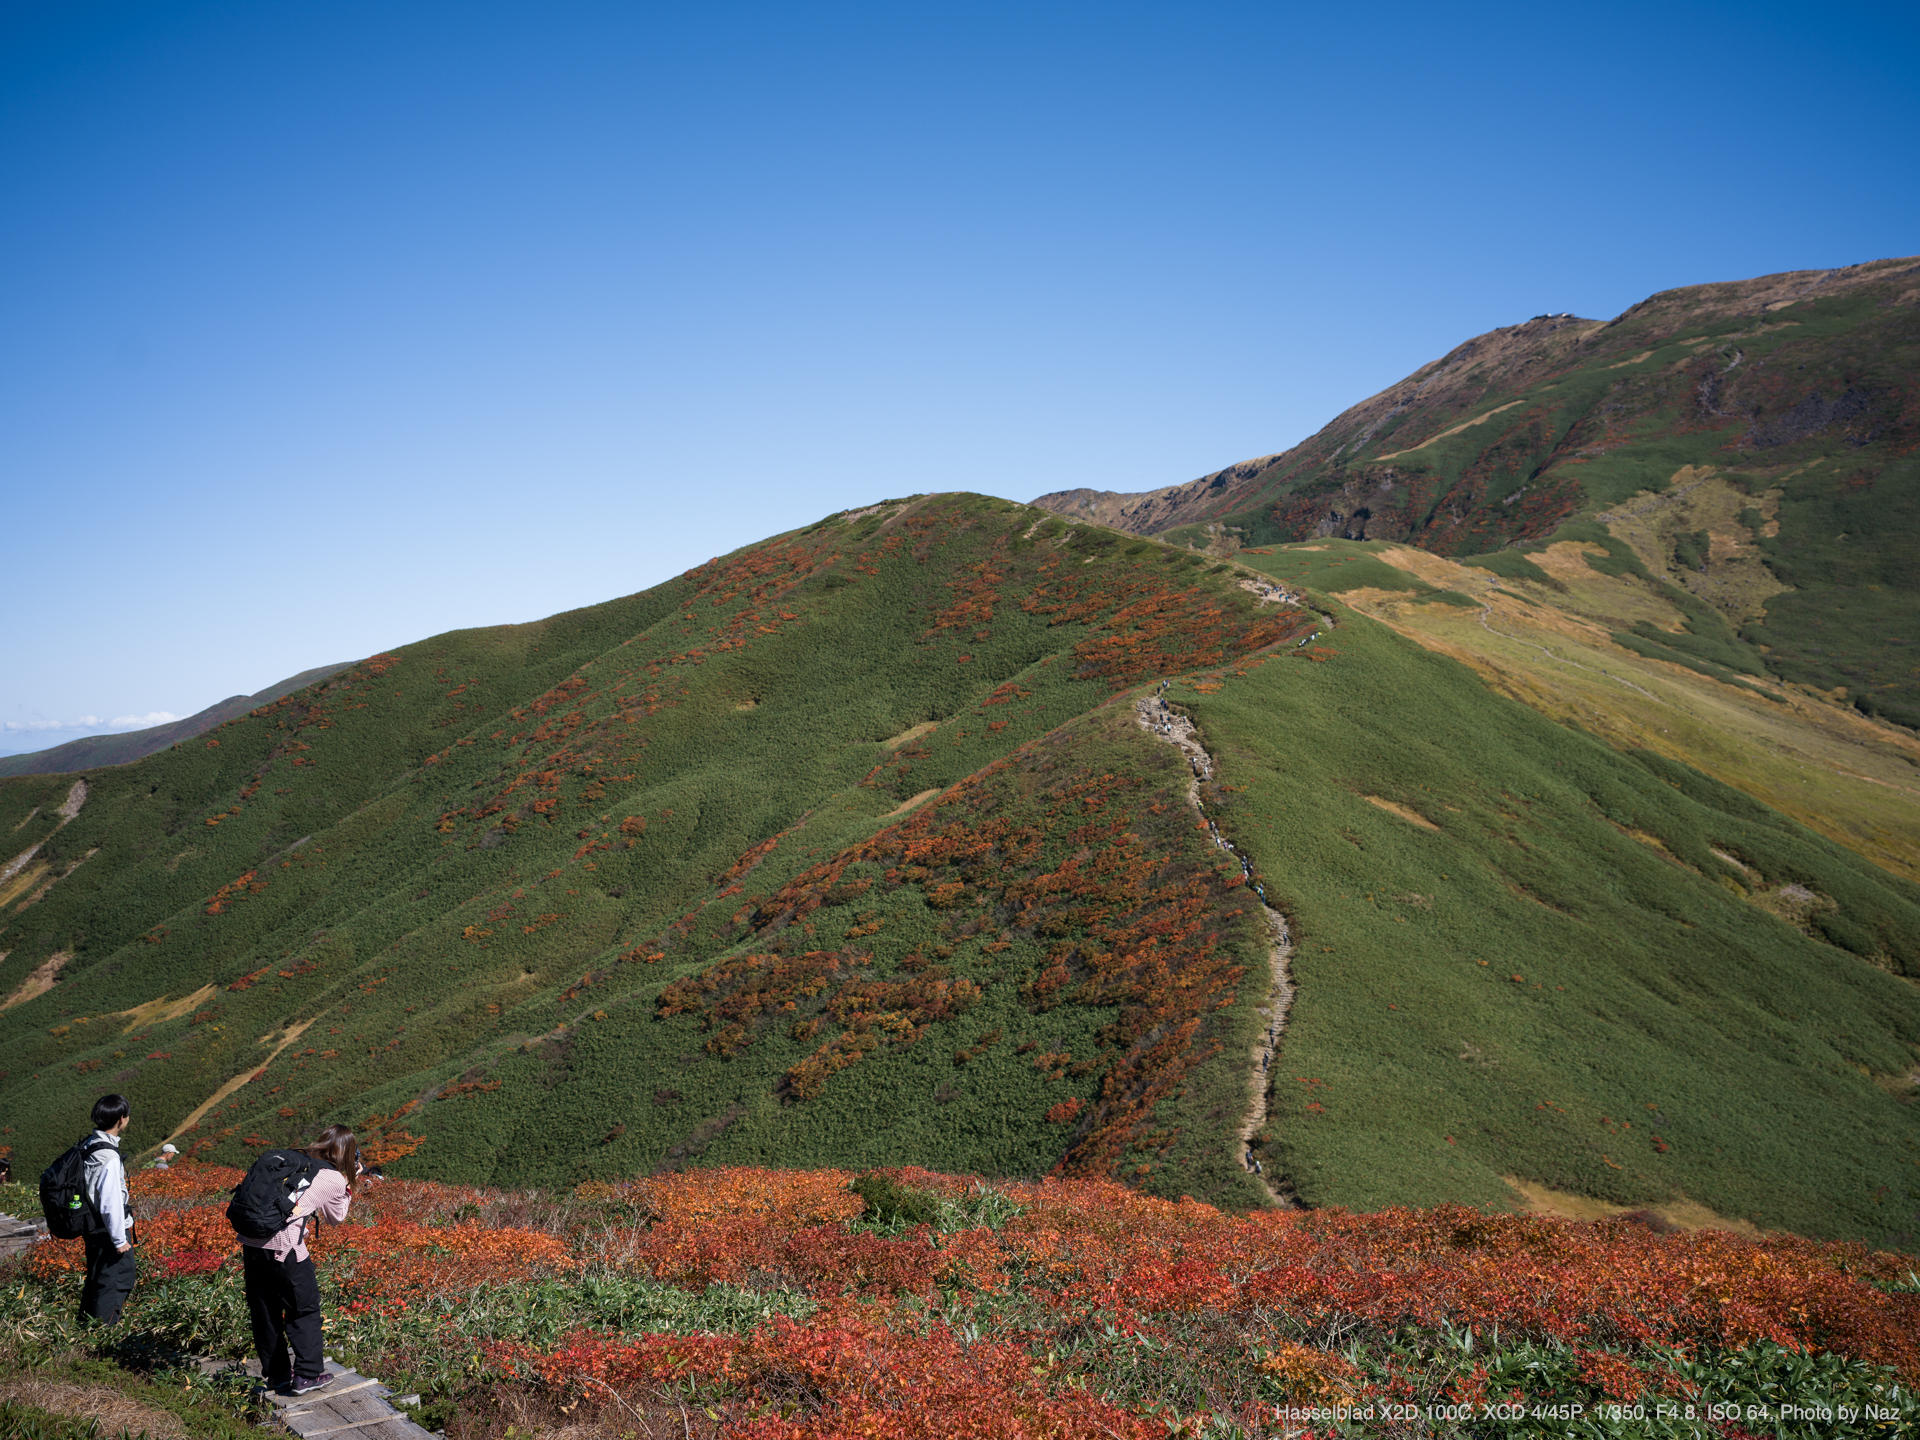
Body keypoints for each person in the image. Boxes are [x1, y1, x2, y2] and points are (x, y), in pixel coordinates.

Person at [240, 1124, 362, 1395]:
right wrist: (349, 1183)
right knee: (303, 1309)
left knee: (265, 1313)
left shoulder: (297, 1163)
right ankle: (307, 1375)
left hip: (252, 1243)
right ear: (347, 1153)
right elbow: (336, 1218)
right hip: (286, 1249)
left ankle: (278, 1377)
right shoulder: (333, 1178)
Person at [79, 1093, 137, 1325]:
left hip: (91, 1226)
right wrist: (119, 1240)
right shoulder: (109, 1157)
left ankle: (84, 1331)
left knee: (96, 1280)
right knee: (114, 1283)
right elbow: (110, 1202)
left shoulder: (89, 1144)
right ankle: (103, 1340)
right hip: (109, 1232)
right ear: (121, 1118)